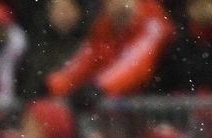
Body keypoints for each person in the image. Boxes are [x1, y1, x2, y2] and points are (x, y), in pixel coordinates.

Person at [45, 0, 174, 108]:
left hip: (162, 107)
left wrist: (99, 88)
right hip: (128, 109)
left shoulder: (153, 22)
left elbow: (135, 63)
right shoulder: (104, 26)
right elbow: (85, 60)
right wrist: (51, 86)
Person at [156, 0, 212, 95]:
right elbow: (166, 82)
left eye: (207, 3)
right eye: (195, 5)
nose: (202, 9)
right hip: (186, 105)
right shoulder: (176, 44)